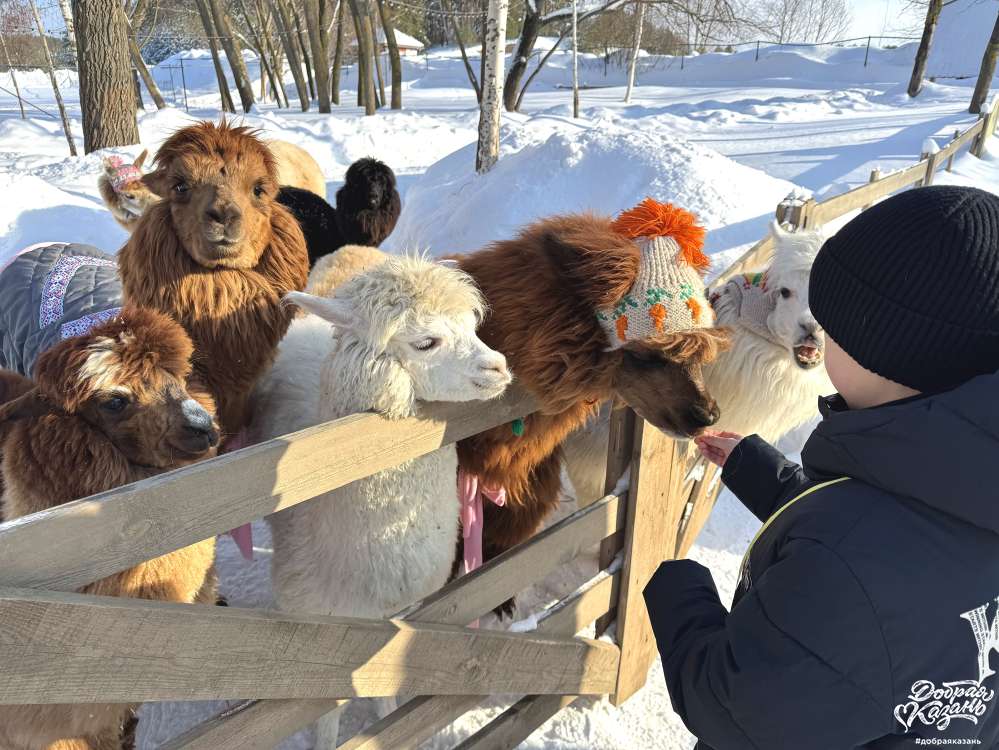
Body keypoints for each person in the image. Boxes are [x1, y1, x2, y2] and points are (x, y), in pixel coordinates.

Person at [643, 185, 999, 749]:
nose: (818, 333)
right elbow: (891, 521)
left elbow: (733, 709)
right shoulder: (962, 470)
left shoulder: (848, 569)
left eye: (834, 322)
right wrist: (762, 472)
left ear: (879, 348)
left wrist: (675, 587)